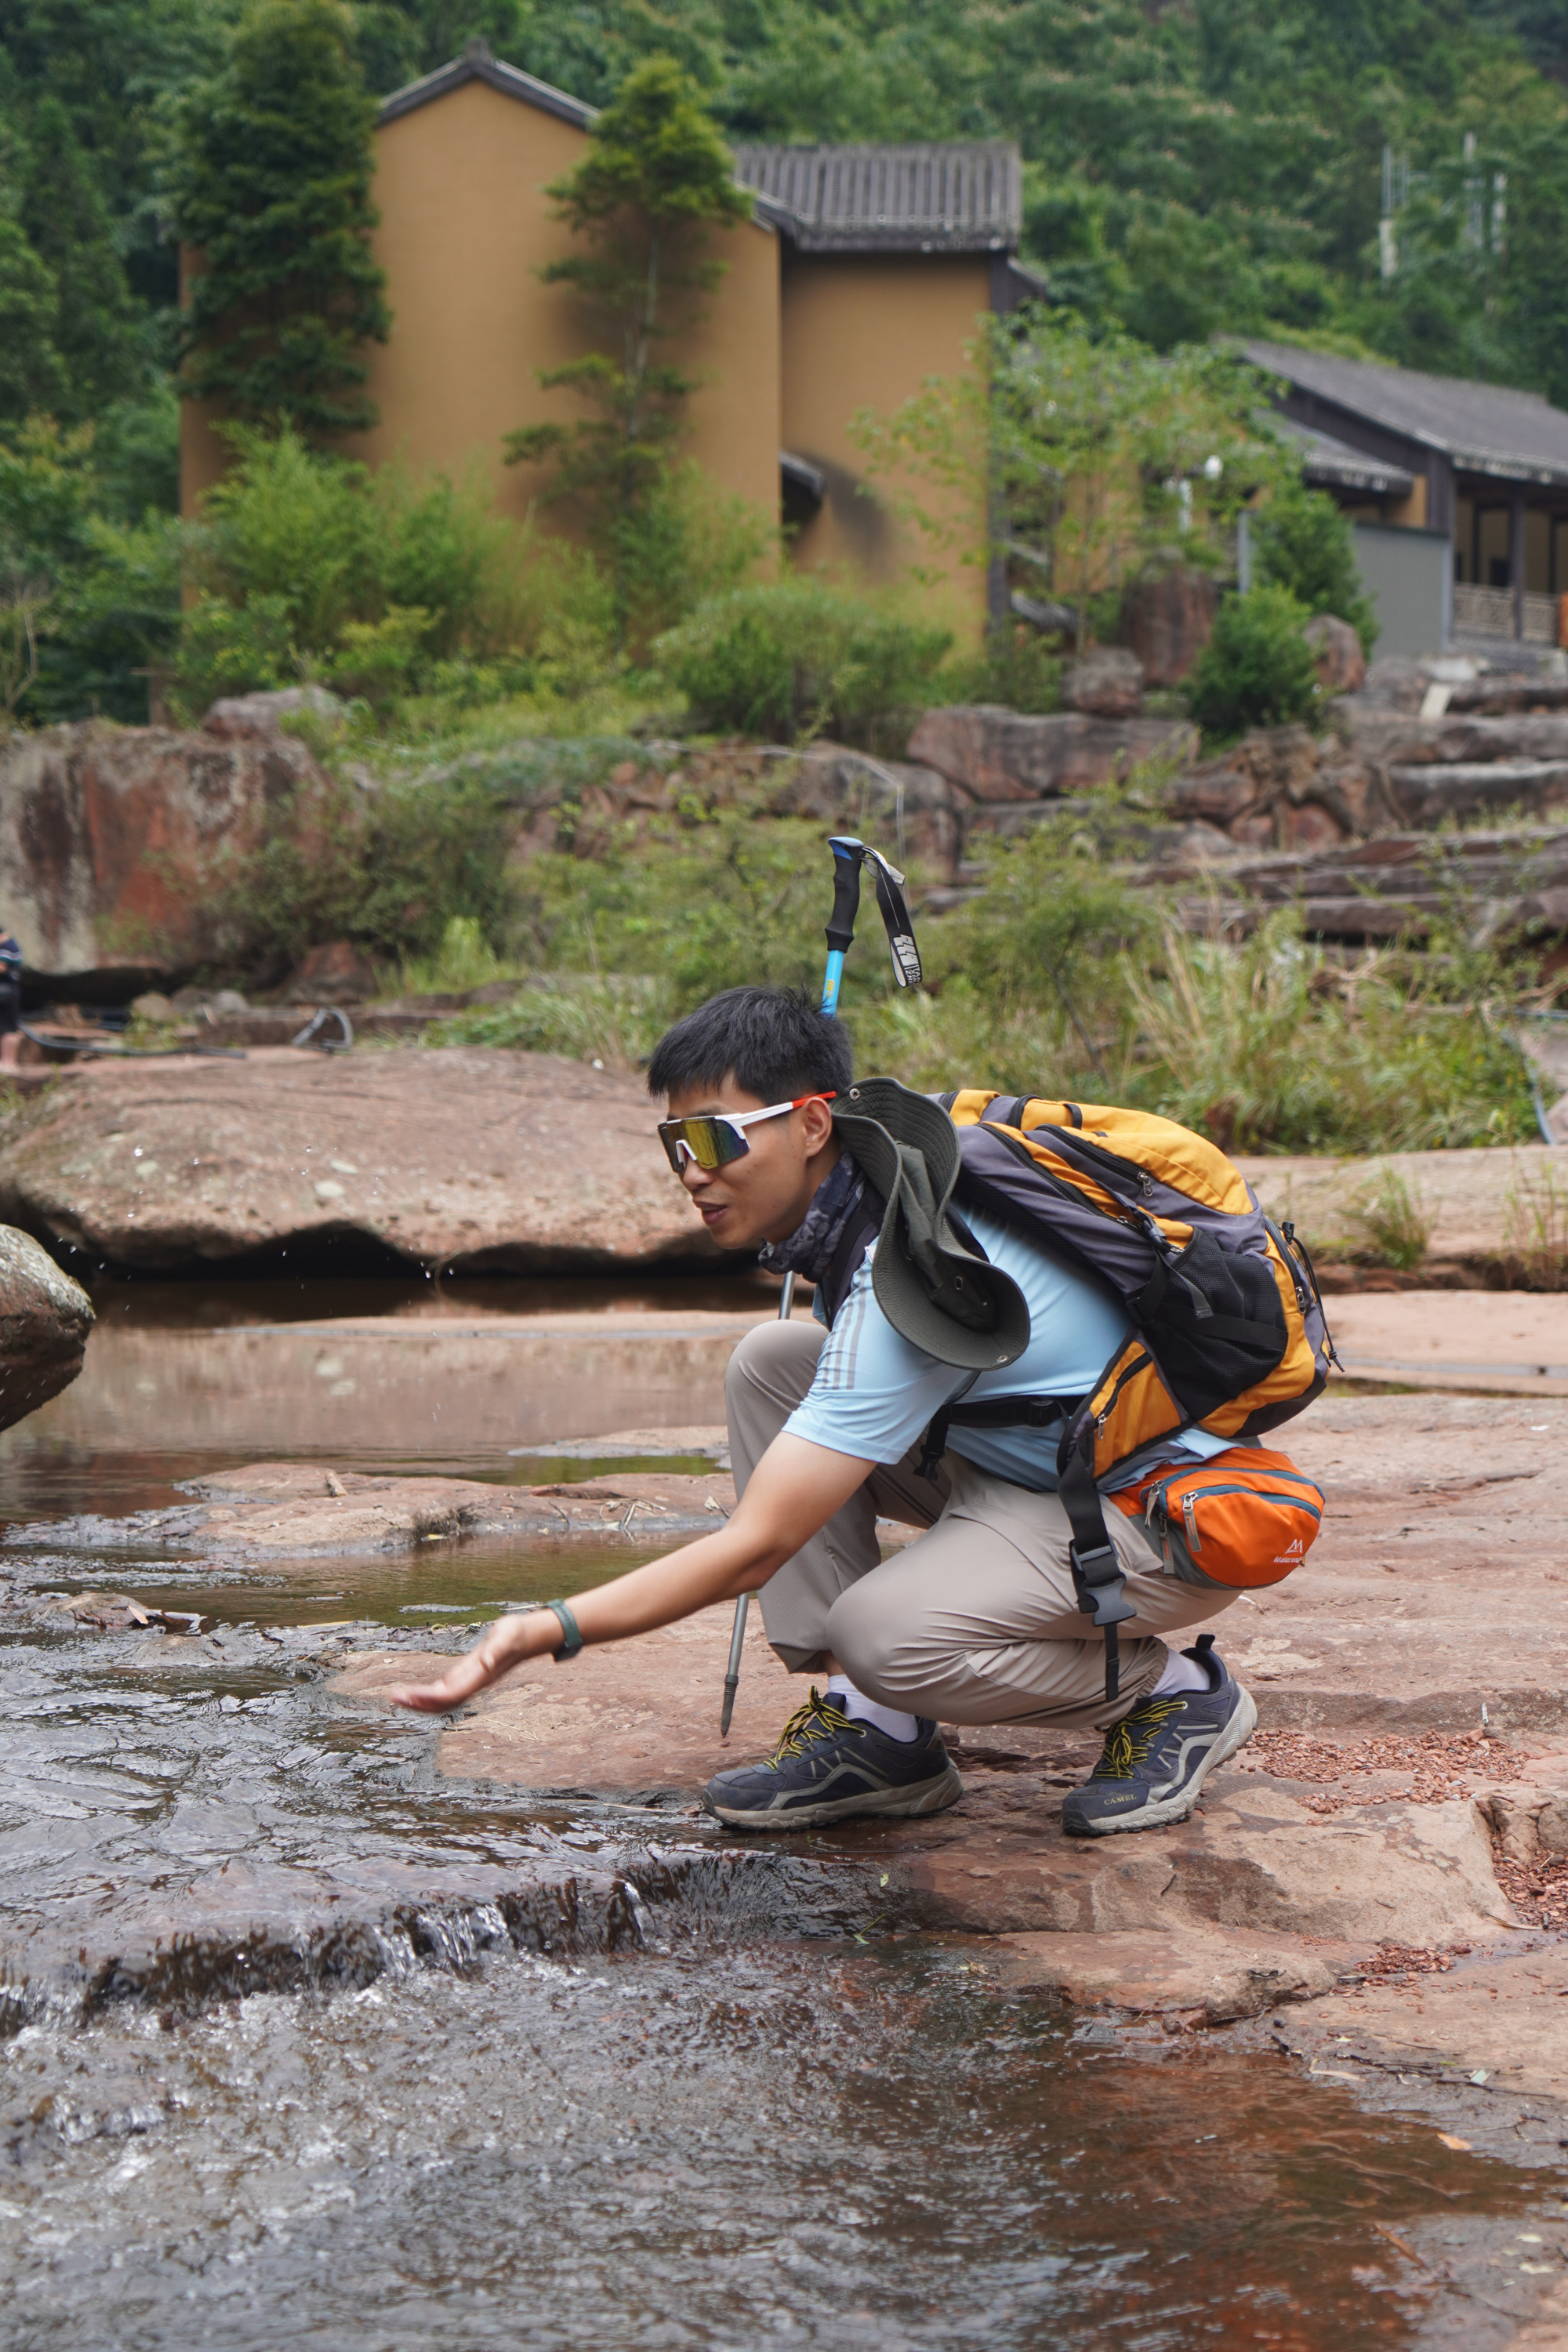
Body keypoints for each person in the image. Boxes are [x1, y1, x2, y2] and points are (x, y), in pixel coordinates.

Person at [389, 985, 1260, 1837]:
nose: (692, 1171)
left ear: (811, 1125)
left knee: (883, 1634)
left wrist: (544, 1628)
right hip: (1032, 1465)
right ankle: (879, 1730)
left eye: (712, 1137)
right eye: (673, 1143)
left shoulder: (906, 1269)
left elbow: (755, 1547)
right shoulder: (874, 1196)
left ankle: (1173, 1694)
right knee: (772, 1365)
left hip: (1152, 1515)